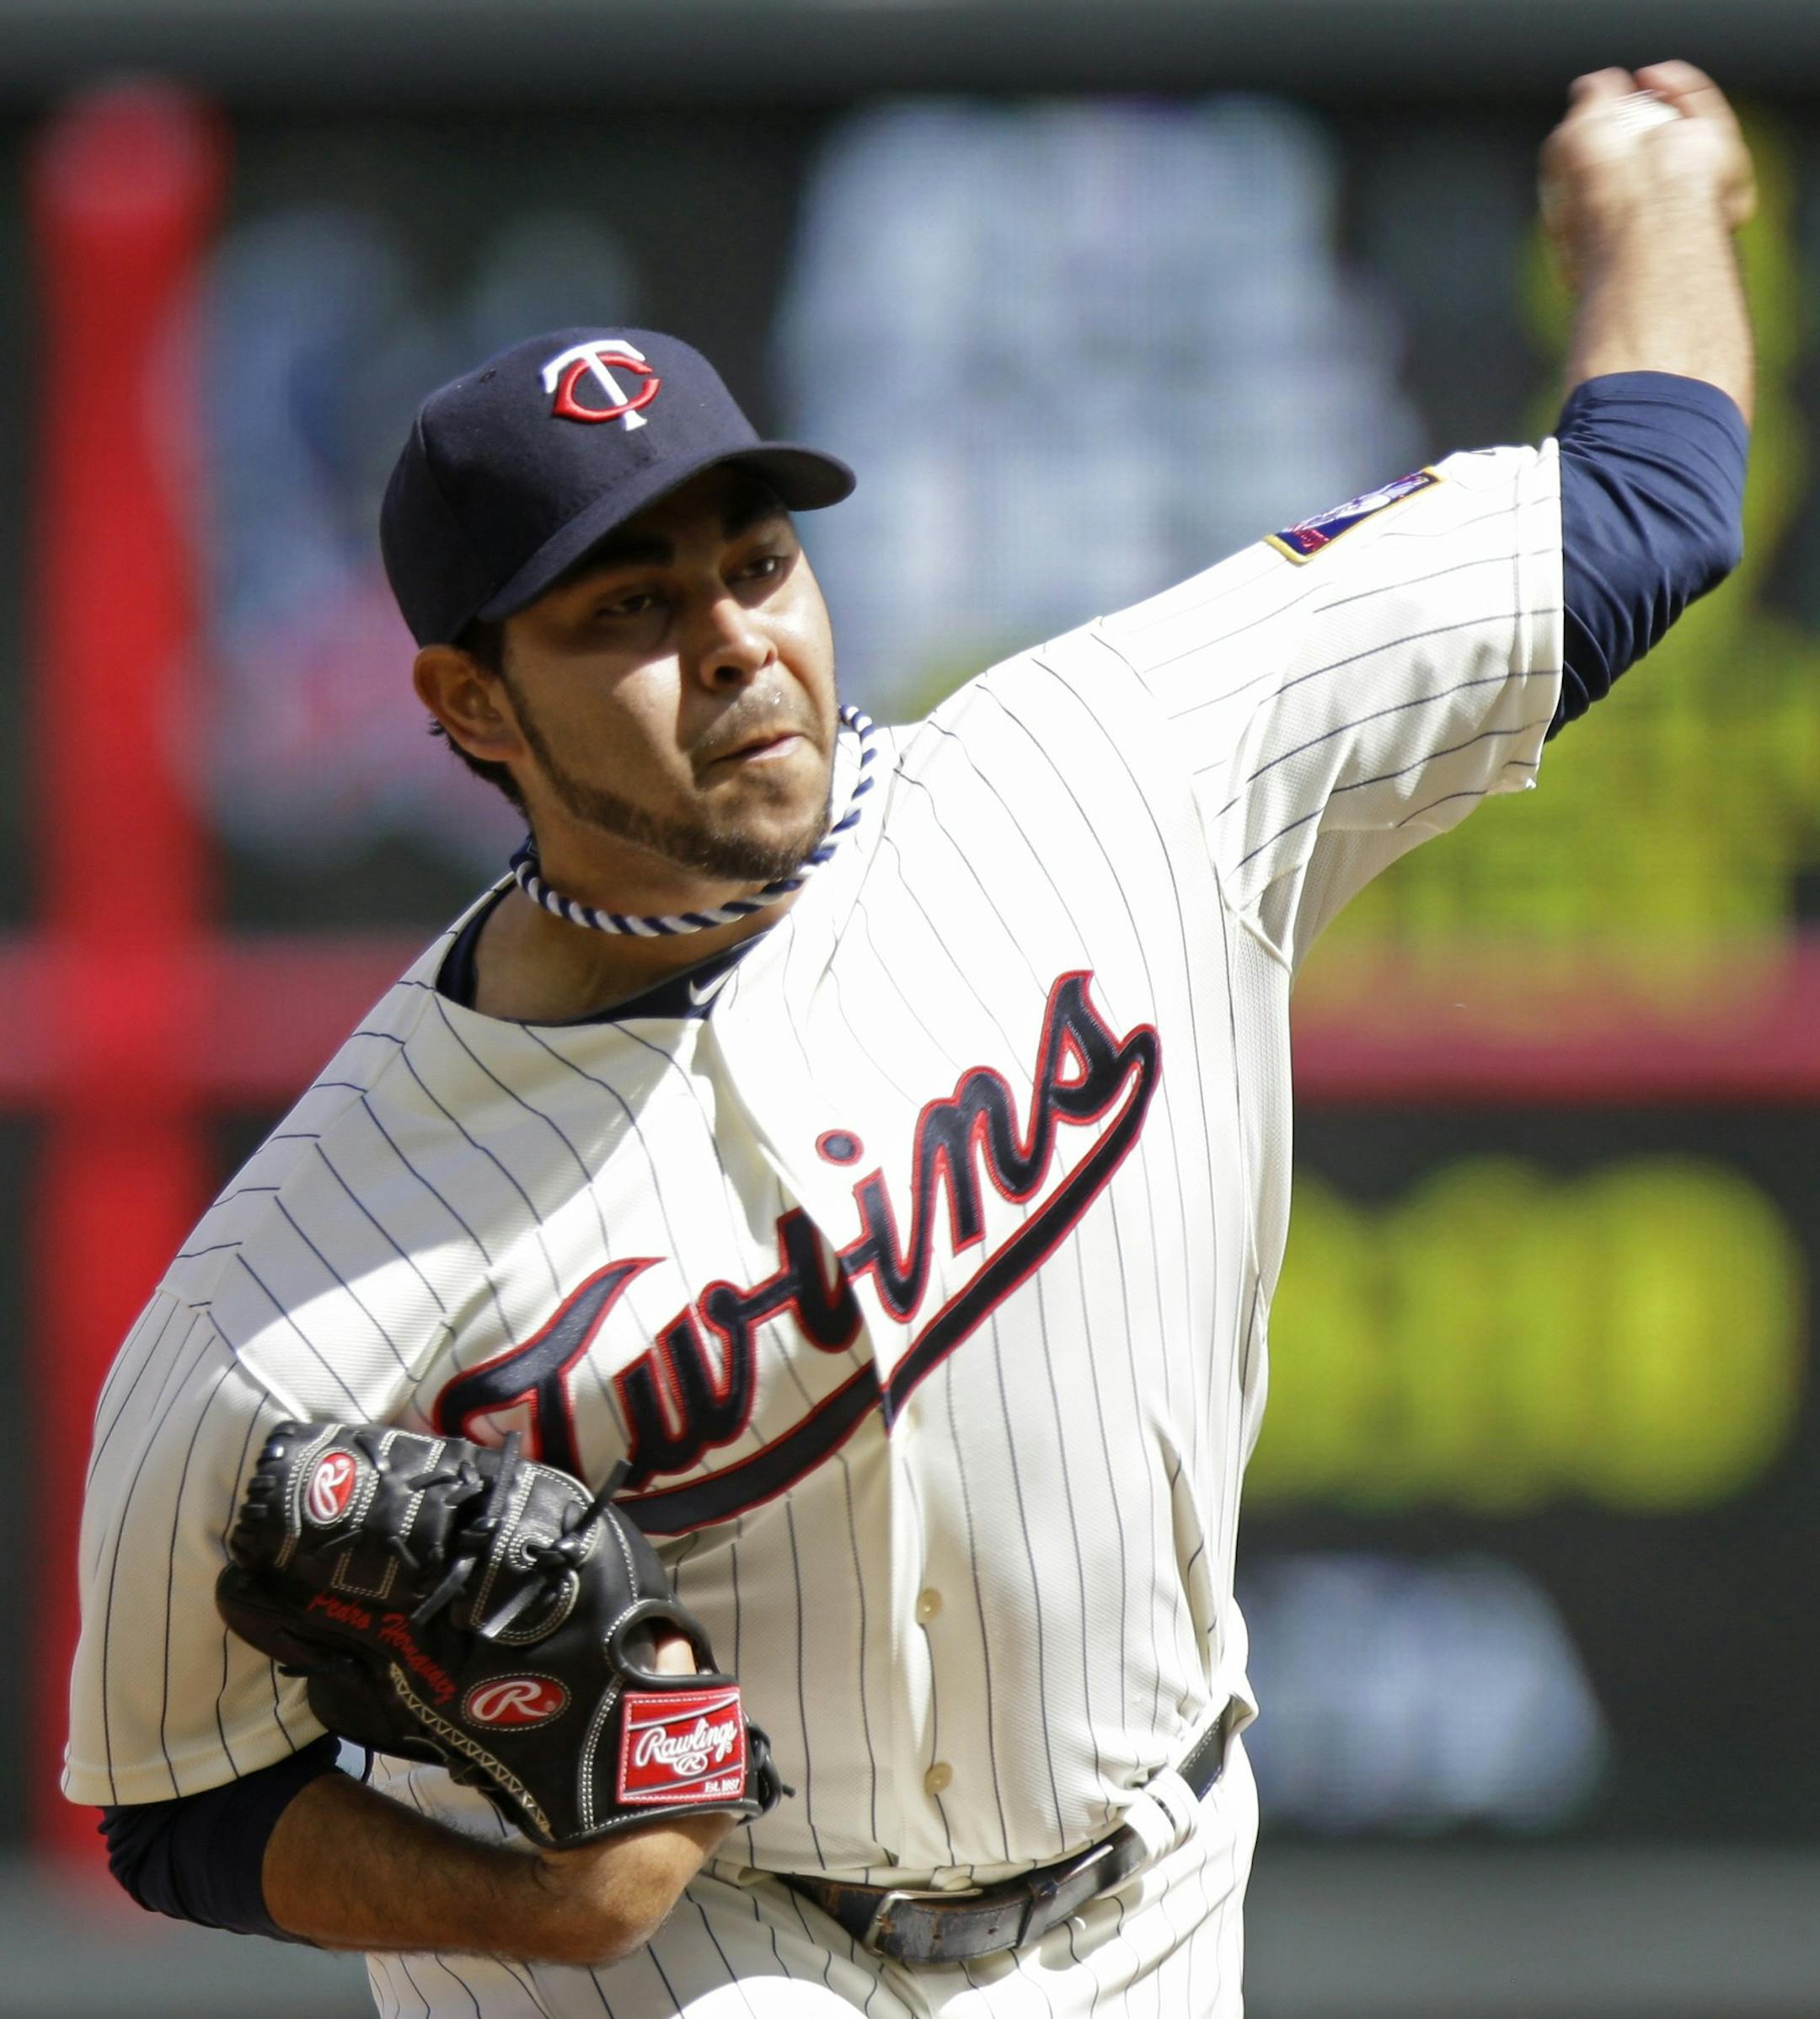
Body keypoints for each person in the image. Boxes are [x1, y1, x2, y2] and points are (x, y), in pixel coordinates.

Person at [65, 62, 1753, 2017]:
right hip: (693, 1950)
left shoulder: (1123, 769)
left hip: (1154, 1897)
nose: (732, 641)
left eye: (756, 563)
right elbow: (175, 1799)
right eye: (631, 606)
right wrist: (541, 1905)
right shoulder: (296, 1280)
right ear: (469, 703)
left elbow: (1643, 510)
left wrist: (1651, 204)